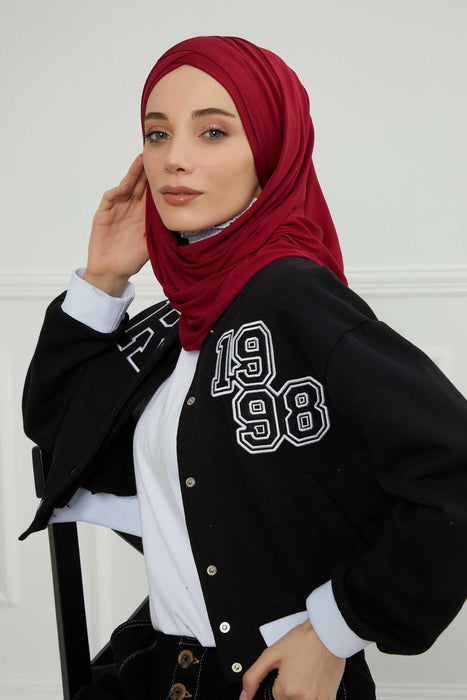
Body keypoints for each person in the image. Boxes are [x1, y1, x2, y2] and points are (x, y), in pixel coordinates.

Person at [21, 35, 467, 700]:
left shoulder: (290, 294)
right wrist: (103, 279)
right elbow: (61, 432)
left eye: (212, 132)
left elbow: (453, 469)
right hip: (163, 668)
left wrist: (337, 627)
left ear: (271, 150)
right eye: (157, 133)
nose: (174, 158)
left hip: (268, 683)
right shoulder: (186, 317)